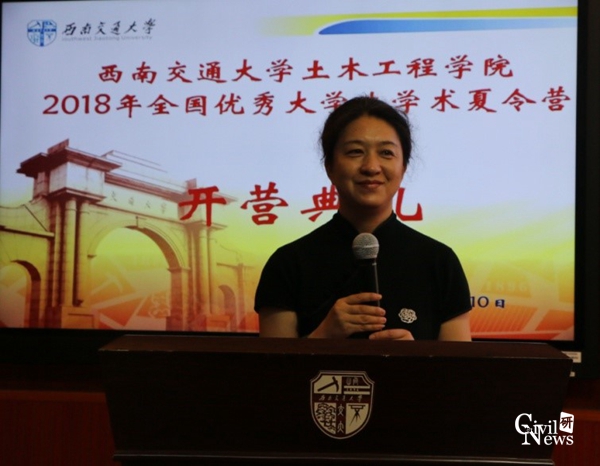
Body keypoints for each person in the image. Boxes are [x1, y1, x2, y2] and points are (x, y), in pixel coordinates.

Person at [255, 96, 471, 341]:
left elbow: (459, 365)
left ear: (403, 168)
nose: (371, 167)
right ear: (329, 166)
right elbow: (274, 364)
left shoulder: (440, 262)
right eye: (355, 152)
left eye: (386, 153)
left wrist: (415, 357)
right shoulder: (288, 264)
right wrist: (324, 336)